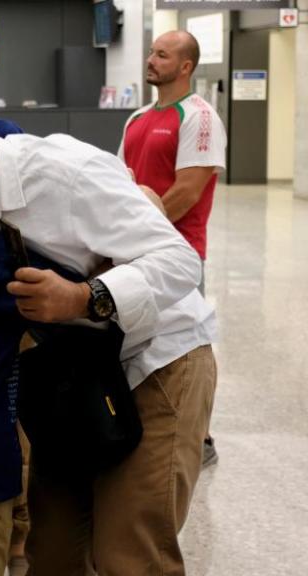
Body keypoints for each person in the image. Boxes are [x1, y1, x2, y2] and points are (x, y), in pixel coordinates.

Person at [0, 77, 217, 576]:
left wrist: (83, 297)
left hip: (158, 361)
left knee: (128, 555)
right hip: (73, 377)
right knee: (52, 552)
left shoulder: (62, 175)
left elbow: (181, 262)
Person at [120, 30, 226, 468]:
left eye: (162, 55)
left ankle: (199, 437)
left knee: (186, 342)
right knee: (142, 342)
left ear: (185, 66)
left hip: (179, 253)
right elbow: (121, 183)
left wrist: (140, 230)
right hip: (136, 253)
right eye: (151, 52)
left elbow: (187, 191)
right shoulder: (138, 117)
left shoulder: (199, 117)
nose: (151, 60)